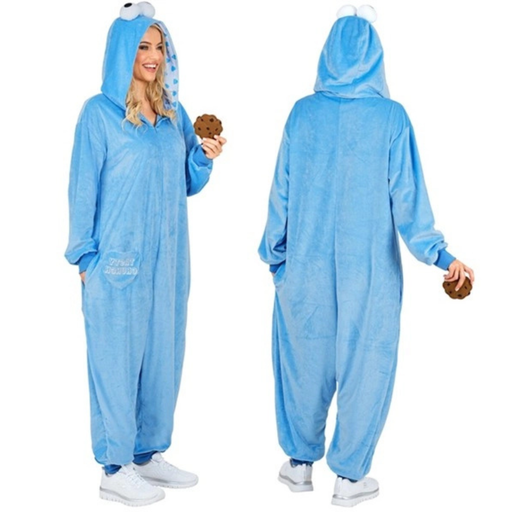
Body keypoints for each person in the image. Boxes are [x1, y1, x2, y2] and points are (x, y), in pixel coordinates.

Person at [258, 5, 473, 508]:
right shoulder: (391, 118)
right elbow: (408, 201)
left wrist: (276, 255)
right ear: (376, 55)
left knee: (302, 360)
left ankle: (299, 464)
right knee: (366, 364)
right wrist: (440, 255)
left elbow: (281, 192)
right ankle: (349, 477)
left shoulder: (302, 114)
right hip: (368, 271)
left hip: (304, 267)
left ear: (327, 53)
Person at [65, 2, 226, 506]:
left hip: (169, 262)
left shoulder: (174, 113)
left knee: (162, 358)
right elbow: (82, 187)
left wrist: (204, 156)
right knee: (116, 363)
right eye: (142, 47)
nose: (153, 56)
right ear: (123, 51)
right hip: (115, 265)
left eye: (159, 47)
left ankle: (146, 453)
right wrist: (85, 258)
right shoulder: (99, 114)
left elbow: (186, 182)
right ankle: (114, 468)